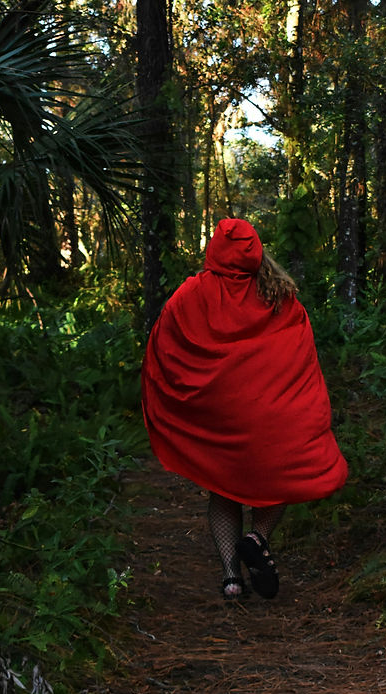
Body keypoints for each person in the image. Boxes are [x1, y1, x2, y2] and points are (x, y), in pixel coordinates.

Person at [141, 217, 348, 601]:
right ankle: (258, 537)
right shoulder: (280, 294)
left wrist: (179, 400)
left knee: (224, 490)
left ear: (214, 251)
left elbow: (163, 343)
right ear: (256, 251)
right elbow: (301, 358)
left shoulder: (191, 294)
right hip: (272, 419)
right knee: (282, 482)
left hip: (220, 421)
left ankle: (231, 579)